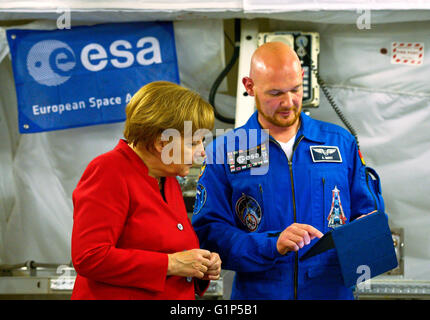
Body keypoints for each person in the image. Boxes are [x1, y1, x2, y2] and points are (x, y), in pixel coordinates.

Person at [191, 42, 382, 300]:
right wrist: (271, 245)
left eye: (295, 89)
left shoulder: (340, 142)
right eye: (275, 93)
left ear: (303, 78)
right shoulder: (223, 151)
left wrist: (365, 233)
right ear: (249, 86)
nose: (288, 102)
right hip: (260, 293)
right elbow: (209, 233)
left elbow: (370, 215)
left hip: (330, 292)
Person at [71, 81, 221, 300]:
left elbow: (173, 251)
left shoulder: (166, 177)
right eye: (193, 143)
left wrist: (201, 266)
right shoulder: (109, 171)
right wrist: (172, 264)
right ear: (162, 143)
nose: (202, 153)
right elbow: (90, 257)